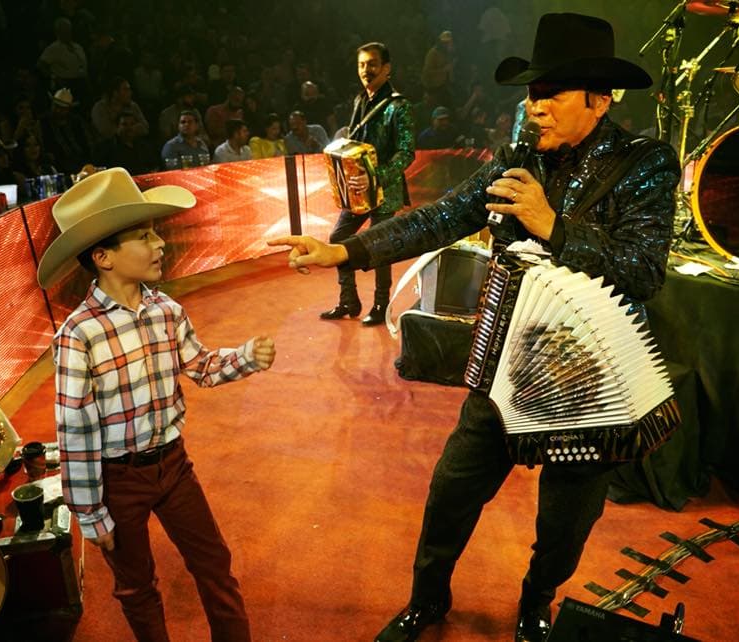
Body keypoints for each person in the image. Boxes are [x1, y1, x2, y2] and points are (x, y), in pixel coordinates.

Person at [269, 13, 679, 642]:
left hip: (590, 384)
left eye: (551, 94)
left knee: (565, 524)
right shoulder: (518, 161)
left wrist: (553, 225)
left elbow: (644, 271)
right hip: (508, 372)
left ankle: (535, 607)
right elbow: (439, 218)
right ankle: (427, 599)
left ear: (598, 99)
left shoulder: (644, 165)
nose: (534, 106)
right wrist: (344, 254)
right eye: (532, 94)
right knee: (450, 493)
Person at [38, 167, 276, 642]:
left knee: (213, 563)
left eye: (156, 234)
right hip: (118, 481)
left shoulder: (168, 311)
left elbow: (202, 366)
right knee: (136, 586)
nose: (160, 244)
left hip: (174, 465)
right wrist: (89, 512)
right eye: (144, 237)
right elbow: (75, 429)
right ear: (103, 256)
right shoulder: (79, 335)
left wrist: (246, 357)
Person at [318, 41, 415, 327]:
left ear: (387, 68)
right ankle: (349, 301)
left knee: (381, 247)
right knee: (338, 239)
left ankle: (381, 305)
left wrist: (377, 176)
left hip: (386, 189)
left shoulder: (399, 106)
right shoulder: (360, 100)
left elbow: (407, 152)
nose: (366, 70)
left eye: (372, 64)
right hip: (359, 189)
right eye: (361, 65)